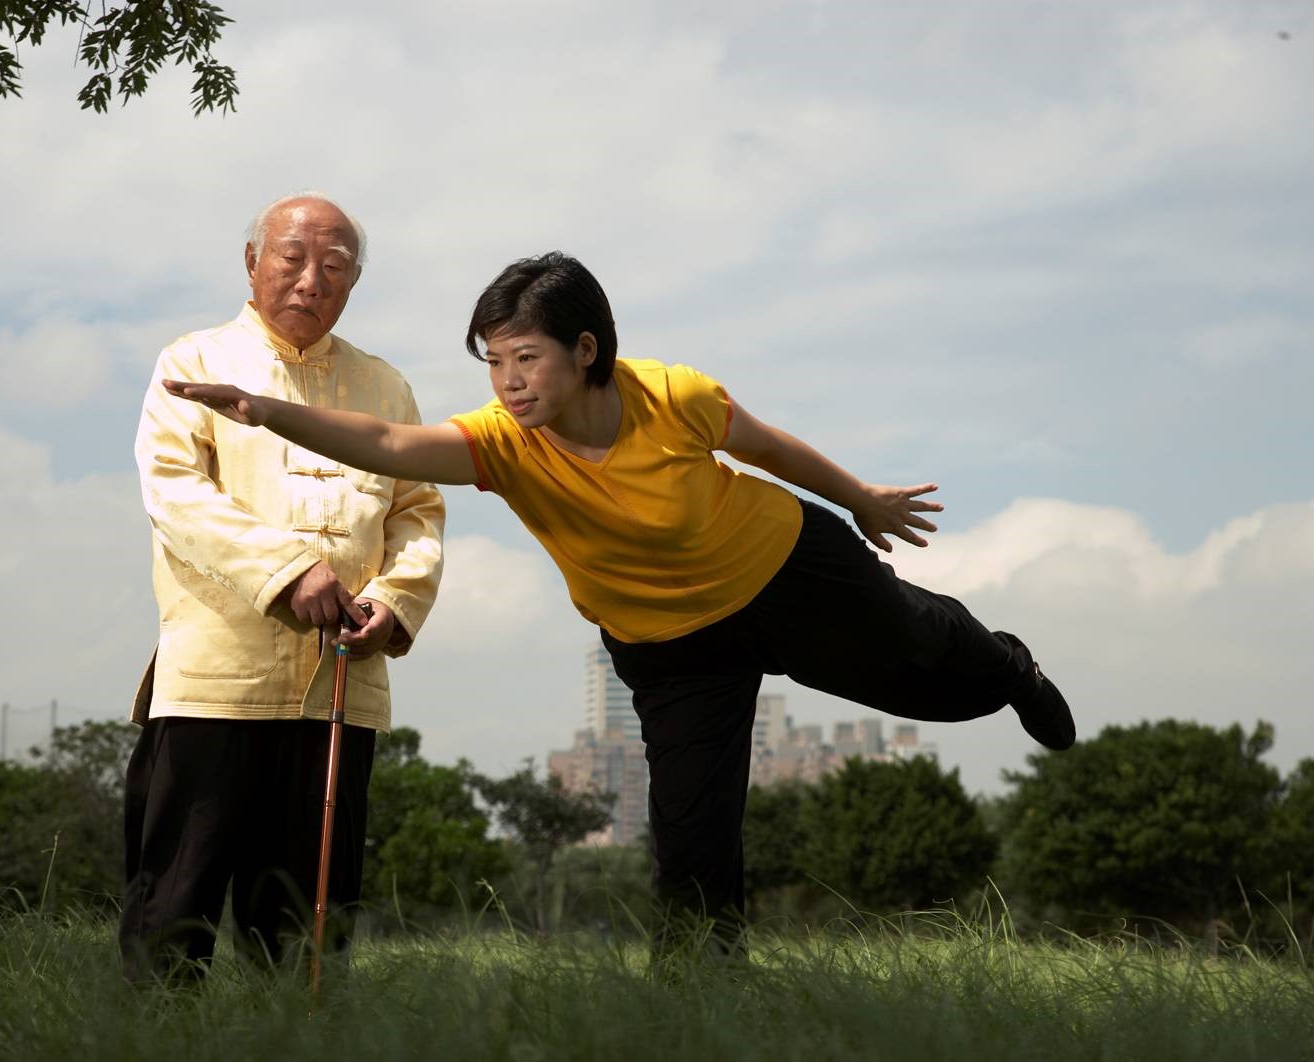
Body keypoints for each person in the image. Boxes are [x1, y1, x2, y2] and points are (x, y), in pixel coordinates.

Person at [161, 251, 1073, 956]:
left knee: (924, 668)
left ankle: (1007, 662)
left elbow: (769, 450)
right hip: (671, 648)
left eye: (525, 357)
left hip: (788, 572)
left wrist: (860, 498)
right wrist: (267, 410)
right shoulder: (502, 445)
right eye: (492, 363)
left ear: (585, 350)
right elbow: (387, 439)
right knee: (690, 835)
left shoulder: (670, 395)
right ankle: (699, 994)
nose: (507, 381)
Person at [120, 195, 446, 982]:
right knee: (175, 910)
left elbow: (417, 511)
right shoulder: (191, 362)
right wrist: (289, 571)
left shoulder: (384, 386)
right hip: (213, 685)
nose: (310, 280)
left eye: (333, 267)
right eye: (292, 258)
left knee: (308, 926)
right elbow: (175, 495)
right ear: (251, 263)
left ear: (353, 281)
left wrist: (394, 603)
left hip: (340, 681)